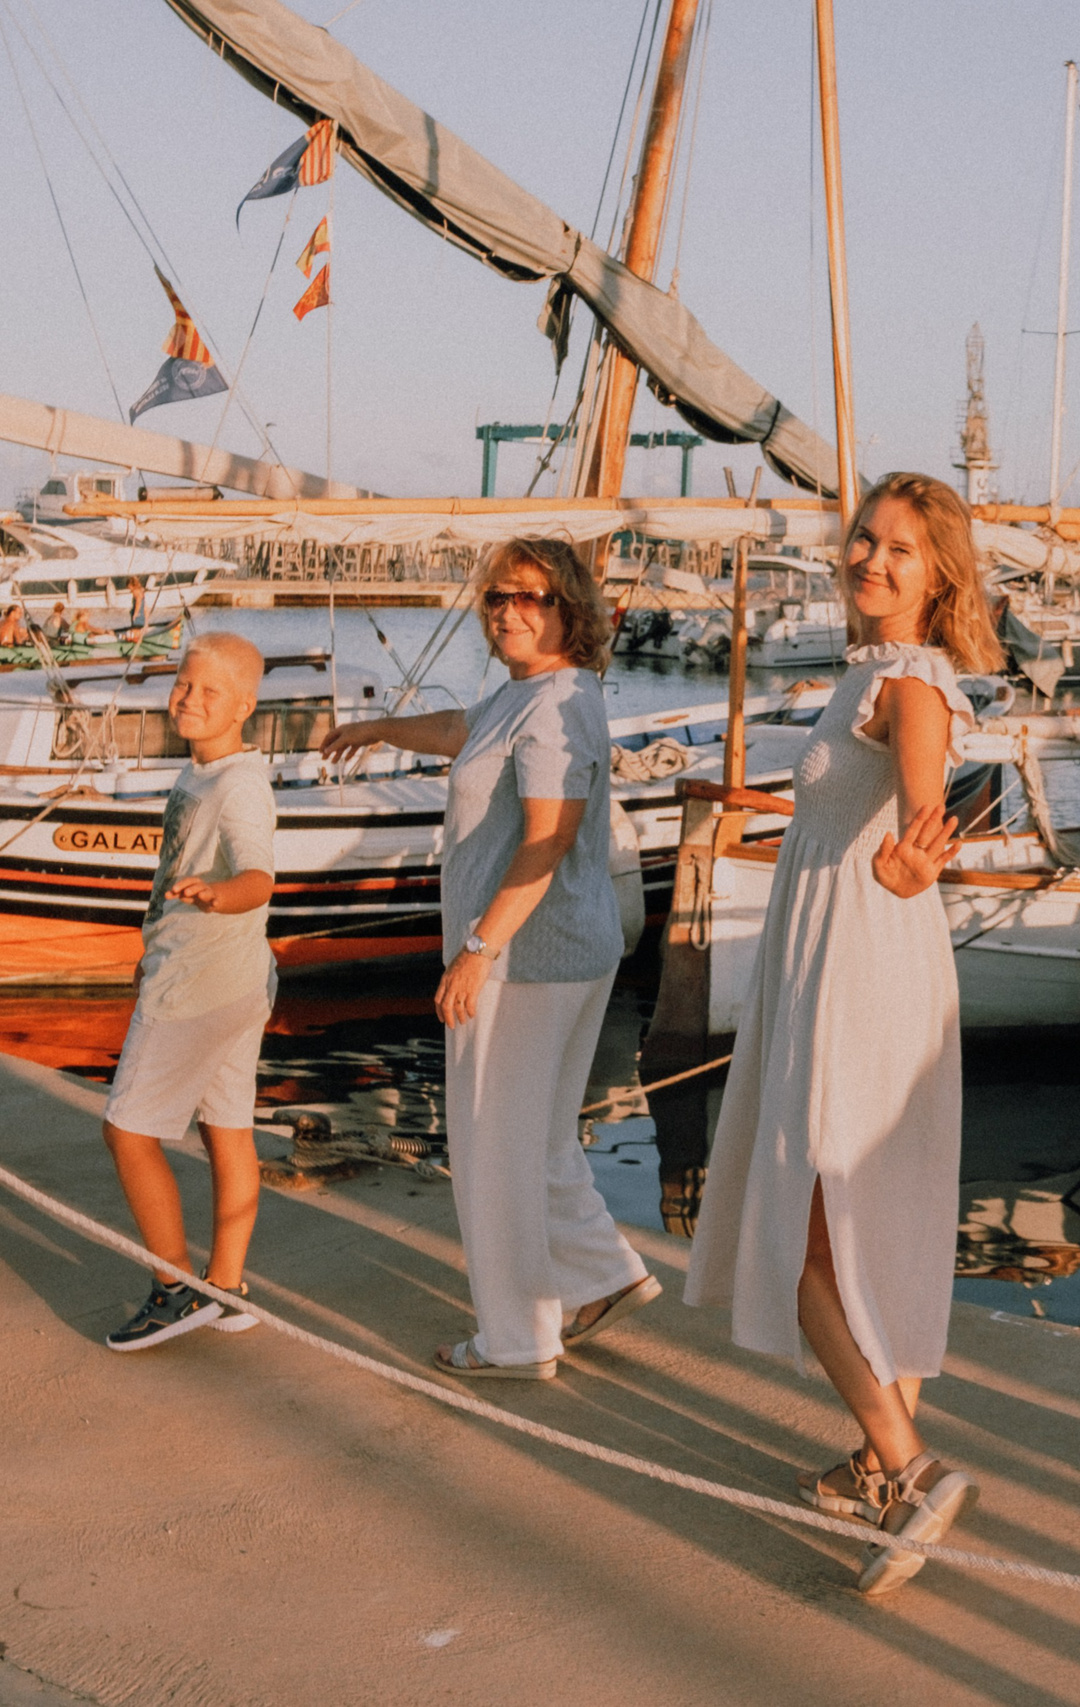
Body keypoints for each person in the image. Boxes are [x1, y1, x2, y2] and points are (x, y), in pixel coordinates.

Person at [687, 471, 1004, 1597]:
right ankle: (881, 1462)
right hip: (837, 953)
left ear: (938, 574)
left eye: (901, 550)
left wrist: (920, 855)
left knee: (806, 1226)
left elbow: (927, 804)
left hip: (856, 965)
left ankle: (911, 1468)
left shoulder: (909, 683)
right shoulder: (873, 673)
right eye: (865, 539)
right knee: (868, 1218)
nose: (872, 560)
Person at [318, 538, 656, 1380]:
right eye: (498, 596)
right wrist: (378, 727)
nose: (509, 609)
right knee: (538, 1141)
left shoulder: (552, 706)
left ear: (568, 608)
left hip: (525, 961)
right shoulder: (535, 692)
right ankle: (603, 1276)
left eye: (530, 597)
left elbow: (548, 840)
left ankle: (515, 1338)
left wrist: (475, 951)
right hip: (569, 949)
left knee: (489, 1152)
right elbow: (463, 730)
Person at [99, 632, 276, 1349]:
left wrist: (217, 896)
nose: (189, 698)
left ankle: (173, 1288)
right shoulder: (201, 773)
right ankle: (225, 1285)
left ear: (244, 706)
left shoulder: (237, 786)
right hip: (233, 980)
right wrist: (155, 941)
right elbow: (175, 867)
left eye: (209, 691)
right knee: (226, 1128)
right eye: (183, 683)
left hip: (198, 988)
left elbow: (259, 877)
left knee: (127, 1129)